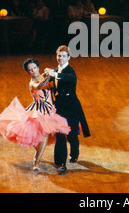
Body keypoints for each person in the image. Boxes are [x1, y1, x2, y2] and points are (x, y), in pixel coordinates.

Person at [0, 58, 71, 173]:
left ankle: (40, 156)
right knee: (44, 134)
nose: (33, 70)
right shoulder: (33, 83)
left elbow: (51, 85)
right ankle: (37, 161)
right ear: (28, 72)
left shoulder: (43, 76)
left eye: (34, 67)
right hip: (39, 111)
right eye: (30, 70)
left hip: (51, 109)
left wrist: (53, 75)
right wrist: (50, 76)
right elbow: (40, 86)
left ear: (38, 67)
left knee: (45, 135)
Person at [44, 46, 91, 175]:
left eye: (64, 56)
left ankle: (74, 154)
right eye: (59, 56)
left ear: (69, 57)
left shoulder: (70, 72)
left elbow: (67, 78)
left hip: (71, 107)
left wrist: (55, 75)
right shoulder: (55, 70)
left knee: (71, 135)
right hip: (59, 107)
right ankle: (60, 163)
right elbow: (51, 85)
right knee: (60, 134)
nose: (61, 58)